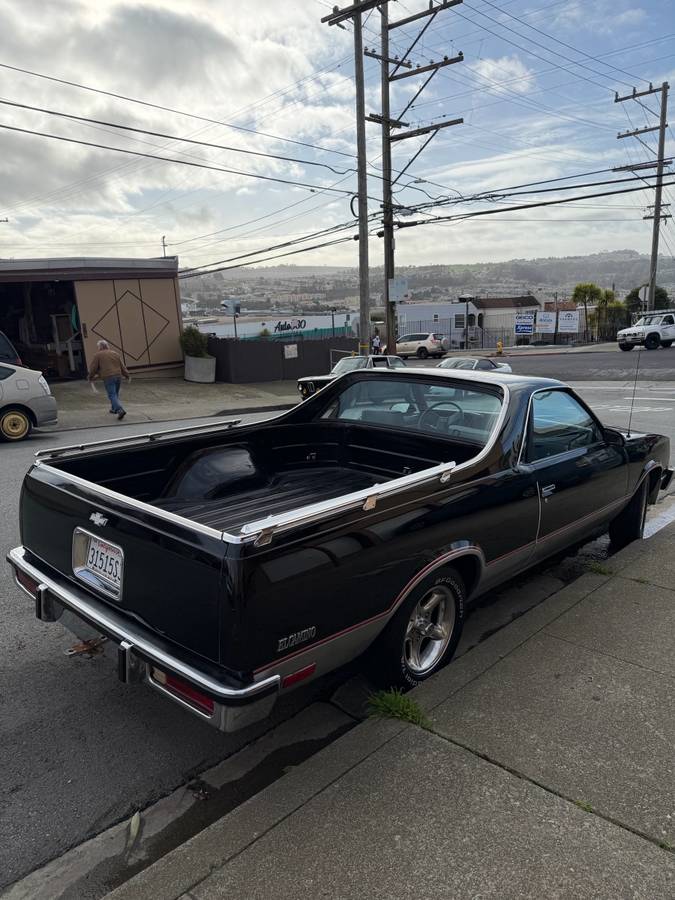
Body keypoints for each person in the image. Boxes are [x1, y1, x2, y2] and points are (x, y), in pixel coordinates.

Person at [87, 340, 130, 420]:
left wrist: (90, 377)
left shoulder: (98, 355)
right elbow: (122, 366)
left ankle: (119, 410)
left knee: (112, 395)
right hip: (118, 376)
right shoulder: (115, 353)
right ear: (107, 346)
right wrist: (127, 375)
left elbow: (93, 368)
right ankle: (114, 409)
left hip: (108, 377)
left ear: (100, 347)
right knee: (115, 394)